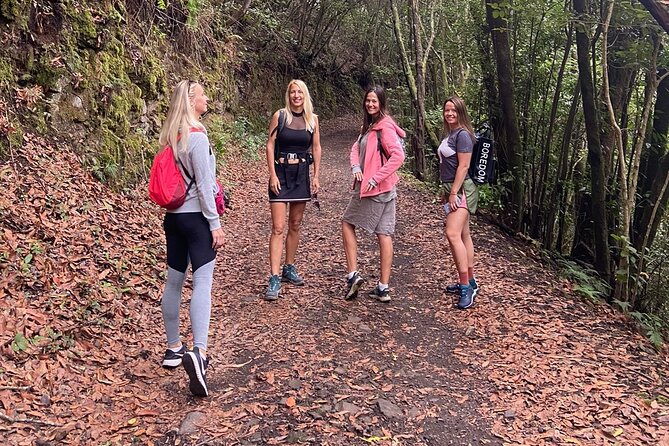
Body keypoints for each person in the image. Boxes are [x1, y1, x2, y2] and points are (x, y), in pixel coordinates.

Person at [157, 80, 224, 397]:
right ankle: (200, 352)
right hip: (197, 219)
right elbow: (204, 183)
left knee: (174, 282)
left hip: (174, 219)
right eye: (203, 94)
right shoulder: (197, 138)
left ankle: (173, 348)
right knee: (203, 282)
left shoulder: (174, 137)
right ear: (192, 100)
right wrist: (215, 223)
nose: (207, 97)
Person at [342, 86, 405, 303]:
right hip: (387, 189)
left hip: (375, 190)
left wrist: (374, 177)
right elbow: (354, 149)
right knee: (384, 234)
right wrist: (355, 168)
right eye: (368, 101)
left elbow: (398, 157)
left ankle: (353, 275)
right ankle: (383, 288)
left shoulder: (384, 128)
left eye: (375, 101)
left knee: (347, 223)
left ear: (382, 104)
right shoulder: (370, 126)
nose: (370, 104)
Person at [265, 79, 322, 300]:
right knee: (278, 227)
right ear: (288, 96)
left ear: (305, 95)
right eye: (292, 92)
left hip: (301, 174)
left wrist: (316, 175)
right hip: (281, 172)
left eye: (299, 92)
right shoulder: (280, 116)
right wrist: (272, 174)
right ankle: (274, 277)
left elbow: (316, 147)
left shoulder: (312, 120)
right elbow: (270, 145)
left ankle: (289, 266)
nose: (296, 96)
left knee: (295, 224)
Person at [438, 95, 479, 309]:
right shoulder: (451, 133)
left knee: (452, 234)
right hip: (453, 189)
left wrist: (453, 192)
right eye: (447, 110)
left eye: (453, 110)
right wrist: (446, 192)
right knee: (463, 235)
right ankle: (470, 280)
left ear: (461, 112)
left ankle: (466, 287)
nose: (450, 113)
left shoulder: (462, 135)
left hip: (463, 190)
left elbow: (463, 167)